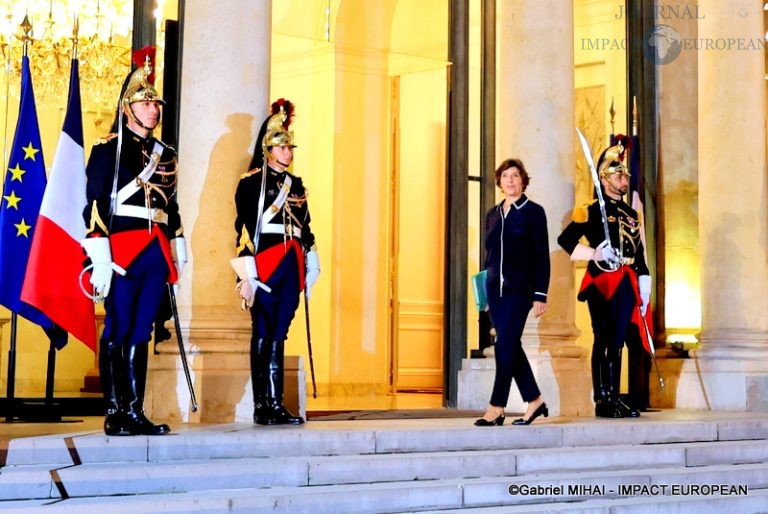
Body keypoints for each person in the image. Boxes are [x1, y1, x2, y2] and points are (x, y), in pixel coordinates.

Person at [81, 57, 186, 436]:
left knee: (141, 329)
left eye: (156, 104)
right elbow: (92, 204)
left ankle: (135, 409)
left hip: (154, 250)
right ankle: (114, 410)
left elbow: (169, 206)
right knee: (119, 326)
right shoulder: (108, 150)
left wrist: (178, 240)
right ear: (128, 108)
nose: (153, 109)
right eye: (145, 103)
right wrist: (98, 256)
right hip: (121, 250)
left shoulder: (166, 153)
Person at [232, 99, 320, 426]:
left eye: (289, 149)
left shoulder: (295, 185)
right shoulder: (251, 182)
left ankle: (276, 402)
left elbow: (305, 227)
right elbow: (242, 227)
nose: (288, 153)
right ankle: (262, 405)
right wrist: (246, 270)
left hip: (291, 263)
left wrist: (313, 261)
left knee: (280, 332)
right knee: (263, 330)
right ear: (268, 150)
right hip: (266, 261)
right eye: (282, 149)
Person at [557, 137, 651, 419]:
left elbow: (640, 254)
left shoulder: (631, 213)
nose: (624, 179)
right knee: (605, 337)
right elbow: (566, 241)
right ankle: (602, 398)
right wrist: (594, 254)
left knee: (619, 339)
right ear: (603, 178)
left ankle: (615, 394)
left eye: (625, 175)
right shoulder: (589, 210)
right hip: (602, 281)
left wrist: (644, 289)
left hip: (627, 281)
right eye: (618, 174)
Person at [475, 158, 550, 427]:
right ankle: (535, 400)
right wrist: (483, 293)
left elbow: (542, 256)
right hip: (495, 291)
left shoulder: (533, 212)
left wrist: (540, 294)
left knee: (504, 344)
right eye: (505, 176)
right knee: (509, 345)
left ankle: (496, 406)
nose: (510, 180)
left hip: (520, 291)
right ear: (499, 181)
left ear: (523, 180)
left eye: (515, 176)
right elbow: (489, 255)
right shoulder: (492, 214)